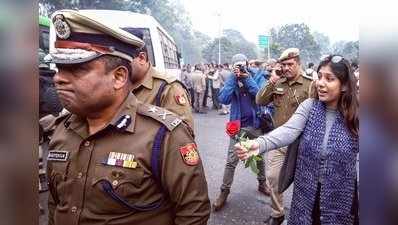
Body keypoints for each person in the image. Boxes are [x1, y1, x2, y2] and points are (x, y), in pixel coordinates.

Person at [46, 10, 210, 225]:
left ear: (119, 77)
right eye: (59, 69)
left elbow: (193, 212)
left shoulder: (164, 135)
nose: (59, 79)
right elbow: (56, 204)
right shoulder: (61, 130)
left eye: (76, 70)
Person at [235, 54, 359, 225]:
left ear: (344, 85)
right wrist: (259, 144)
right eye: (320, 76)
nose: (321, 83)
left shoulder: (357, 115)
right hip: (307, 194)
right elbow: (288, 130)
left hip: (341, 197)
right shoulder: (310, 106)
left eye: (329, 79)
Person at [255, 48, 313, 225]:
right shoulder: (278, 82)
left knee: (303, 183)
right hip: (278, 141)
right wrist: (271, 81)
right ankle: (277, 213)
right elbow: (260, 101)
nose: (286, 68)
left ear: (298, 63)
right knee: (273, 178)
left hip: (301, 143)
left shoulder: (309, 84)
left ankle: (302, 216)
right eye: (284, 65)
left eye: (290, 64)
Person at [212, 53, 270, 212]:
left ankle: (262, 183)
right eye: (236, 66)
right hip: (237, 127)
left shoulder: (256, 75)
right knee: (231, 161)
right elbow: (223, 99)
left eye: (242, 65)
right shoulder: (231, 79)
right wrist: (232, 78)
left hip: (256, 124)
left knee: (258, 157)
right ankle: (224, 192)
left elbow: (260, 96)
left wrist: (246, 77)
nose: (239, 68)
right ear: (232, 66)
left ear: (246, 64)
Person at [119, 28, 194, 130]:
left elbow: (183, 134)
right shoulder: (114, 84)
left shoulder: (168, 88)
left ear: (142, 58)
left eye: (122, 61)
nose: (115, 67)